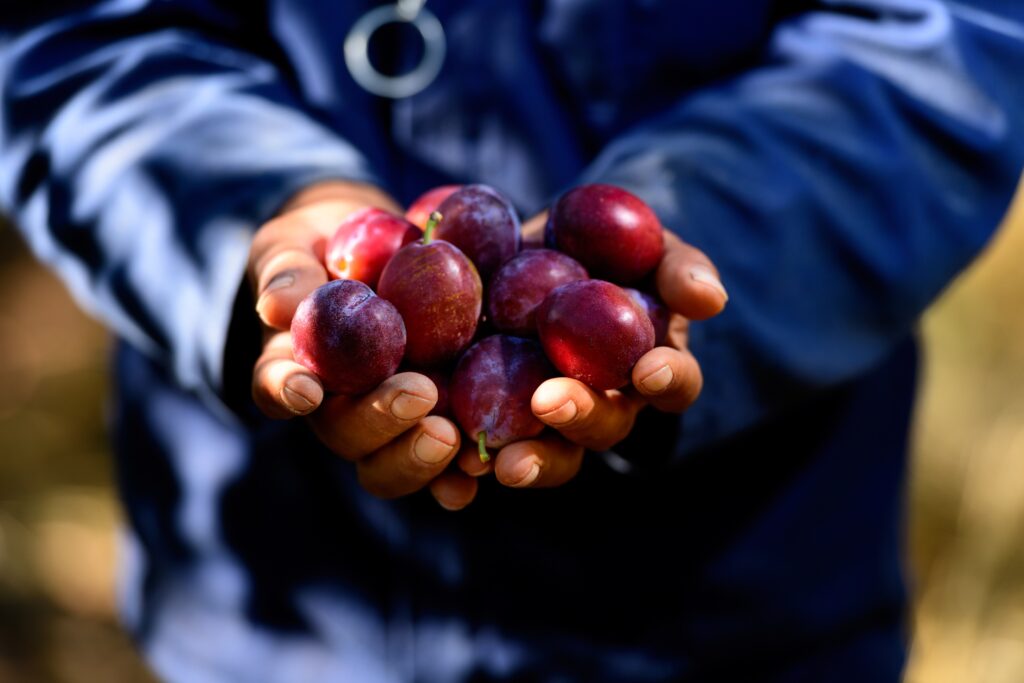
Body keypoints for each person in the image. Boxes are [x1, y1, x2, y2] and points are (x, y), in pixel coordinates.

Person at [2, 1, 1023, 681]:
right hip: (269, 625)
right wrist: (256, 209)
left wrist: (711, 219)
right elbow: (68, 34)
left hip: (745, 609)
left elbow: (944, 43)